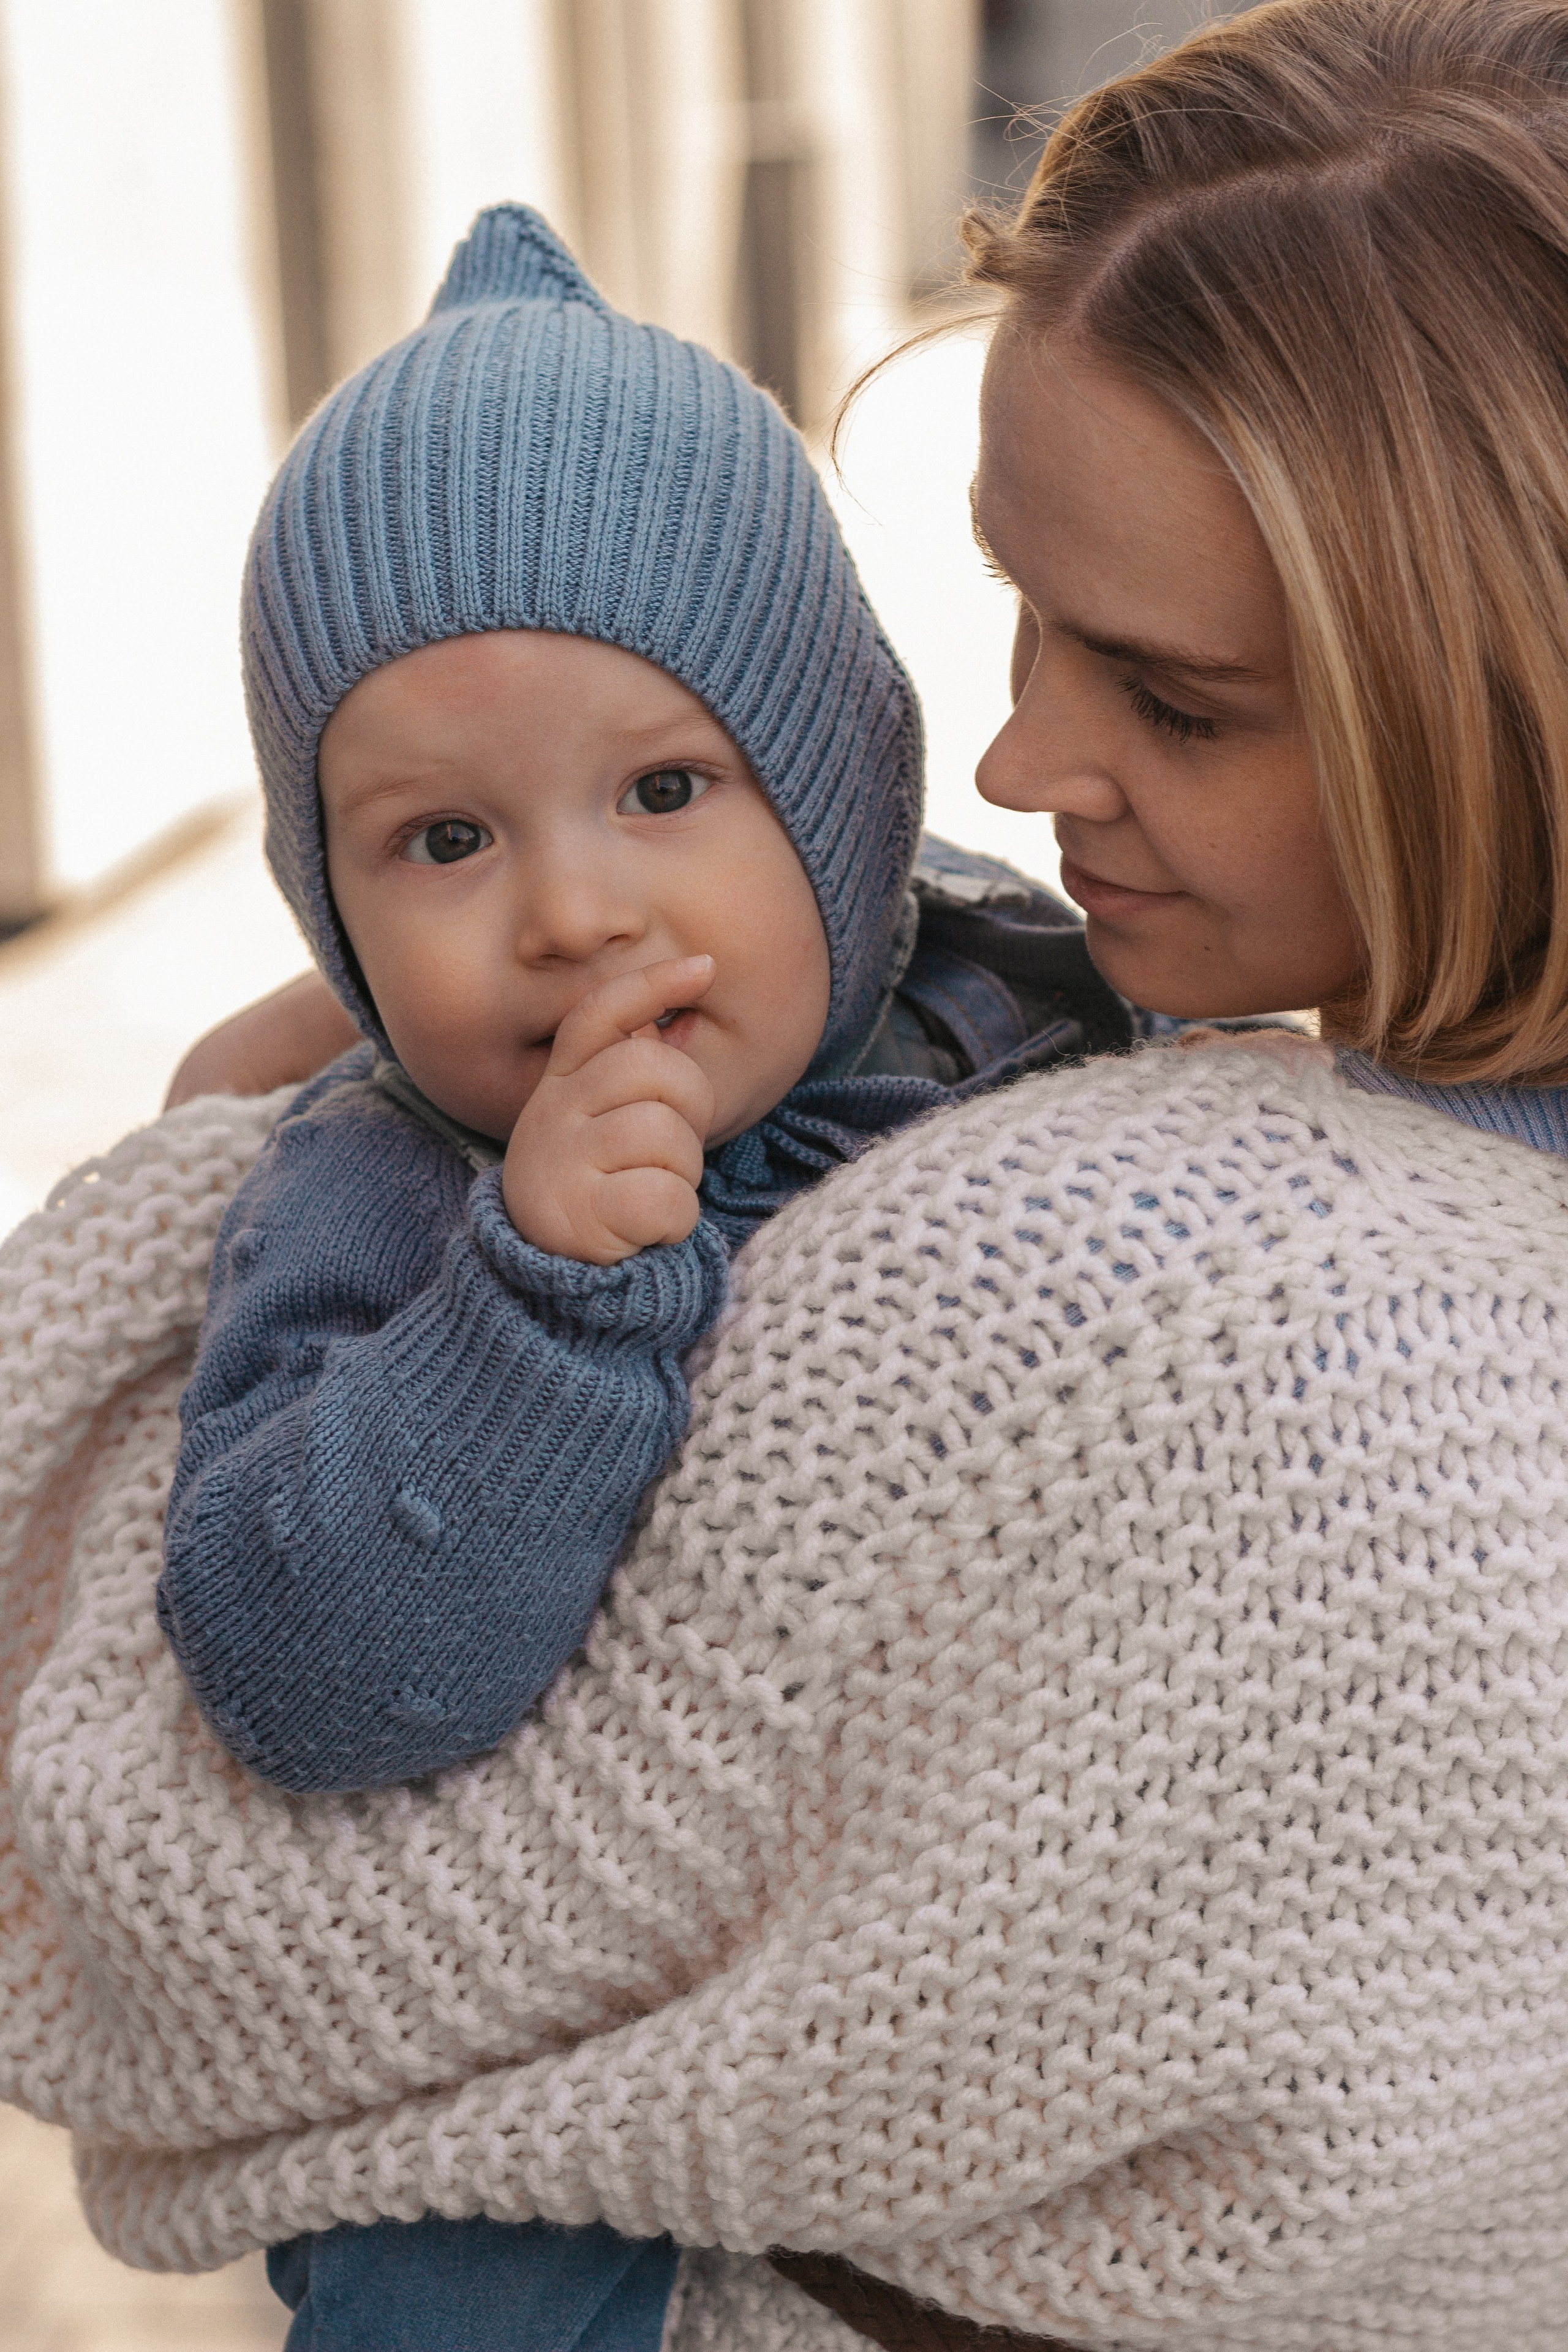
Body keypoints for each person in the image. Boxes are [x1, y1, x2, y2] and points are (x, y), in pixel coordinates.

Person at [8, 0, 1568, 2344]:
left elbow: (220, 1924)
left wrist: (185, 1197)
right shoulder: (433, 1165)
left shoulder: (1180, 1293)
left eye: (1177, 698)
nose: (1027, 757)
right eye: (1015, 612)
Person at [148, 200, 1154, 2350]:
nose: (575, 912)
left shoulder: (1030, 1008)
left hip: (978, 1983)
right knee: (446, 2269)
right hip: (545, 2092)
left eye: (668, 790)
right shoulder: (380, 1186)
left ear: (844, 799)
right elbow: (298, 1678)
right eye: (443, 841)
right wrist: (533, 1302)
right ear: (324, 906)